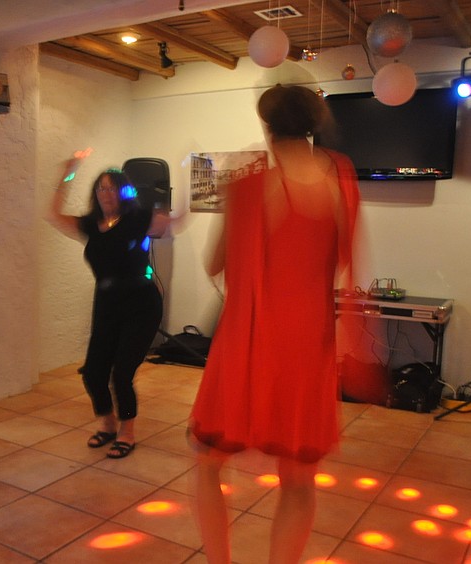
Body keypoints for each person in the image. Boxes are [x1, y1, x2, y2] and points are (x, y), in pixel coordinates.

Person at [188, 85, 360, 564]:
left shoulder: (249, 182)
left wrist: (236, 204)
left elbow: (215, 263)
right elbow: (344, 258)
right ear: (314, 123)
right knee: (299, 477)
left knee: (206, 460)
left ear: (266, 126)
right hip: (307, 345)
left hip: (249, 339)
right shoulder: (339, 176)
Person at [49, 153, 172, 459]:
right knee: (92, 371)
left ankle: (127, 432)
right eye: (101, 189)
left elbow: (171, 224)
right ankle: (107, 424)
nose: (106, 194)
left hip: (142, 304)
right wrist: (68, 173)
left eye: (111, 188)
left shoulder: (137, 219)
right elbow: (54, 213)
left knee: (121, 373)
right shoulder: (92, 225)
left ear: (123, 192)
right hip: (107, 304)